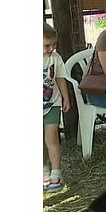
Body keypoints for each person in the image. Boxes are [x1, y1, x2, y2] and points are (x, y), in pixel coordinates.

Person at [43, 23, 72, 192]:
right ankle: (43, 170)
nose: (51, 48)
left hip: (52, 103)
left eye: (54, 44)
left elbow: (60, 78)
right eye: (47, 45)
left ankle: (56, 172)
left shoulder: (56, 58)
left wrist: (65, 97)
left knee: (52, 137)